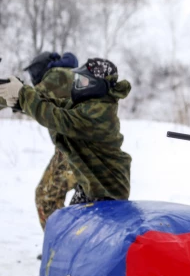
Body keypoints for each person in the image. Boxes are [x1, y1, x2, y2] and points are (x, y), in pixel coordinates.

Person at [0, 57, 132, 211]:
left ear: (97, 86)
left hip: (109, 194)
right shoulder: (88, 105)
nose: (77, 85)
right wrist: (19, 101)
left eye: (82, 81)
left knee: (78, 231)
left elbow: (54, 116)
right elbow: (54, 105)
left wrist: (23, 93)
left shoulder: (97, 113)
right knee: (68, 227)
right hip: (92, 188)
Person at [21, 51, 79, 230]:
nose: (33, 78)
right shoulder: (64, 77)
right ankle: (65, 247)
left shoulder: (58, 75)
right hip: (75, 148)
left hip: (75, 149)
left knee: (46, 197)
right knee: (79, 205)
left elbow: (30, 97)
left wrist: (13, 95)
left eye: (34, 72)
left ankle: (59, 247)